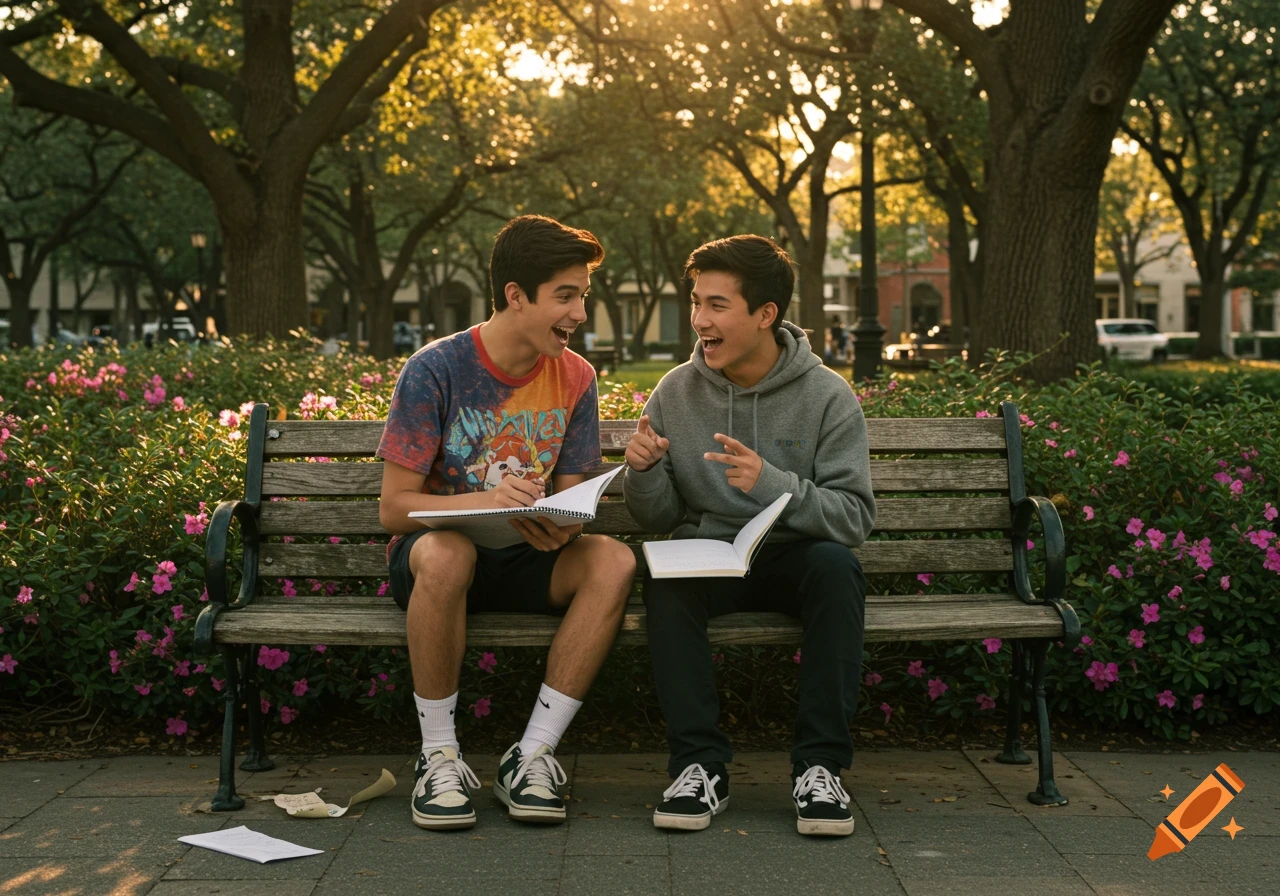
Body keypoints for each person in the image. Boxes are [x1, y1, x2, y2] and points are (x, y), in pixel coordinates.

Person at [378, 215, 637, 831]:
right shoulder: (436, 368)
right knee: (448, 554)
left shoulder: (576, 376)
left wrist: (562, 524)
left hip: (526, 556)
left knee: (614, 559)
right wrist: (481, 504)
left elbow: (573, 495)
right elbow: (394, 508)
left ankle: (534, 755)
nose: (578, 313)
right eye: (565, 296)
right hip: (436, 562)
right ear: (516, 295)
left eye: (583, 296)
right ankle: (438, 756)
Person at [623, 235, 876, 837]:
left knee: (838, 571)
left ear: (765, 315)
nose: (698, 321)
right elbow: (656, 518)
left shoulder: (827, 396)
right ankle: (698, 769)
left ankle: (820, 768)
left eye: (716, 306)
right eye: (696, 303)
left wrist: (771, 484)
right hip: (711, 560)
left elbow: (853, 518)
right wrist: (643, 471)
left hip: (795, 558)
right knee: (664, 583)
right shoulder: (676, 393)